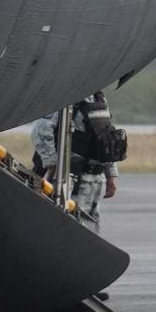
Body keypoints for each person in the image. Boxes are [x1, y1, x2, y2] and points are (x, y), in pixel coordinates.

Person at [31, 92, 124, 238]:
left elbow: (107, 138)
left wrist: (111, 175)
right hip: (72, 180)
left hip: (96, 179)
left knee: (91, 230)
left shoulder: (99, 98)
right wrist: (51, 163)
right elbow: (40, 131)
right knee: (70, 229)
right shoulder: (67, 97)